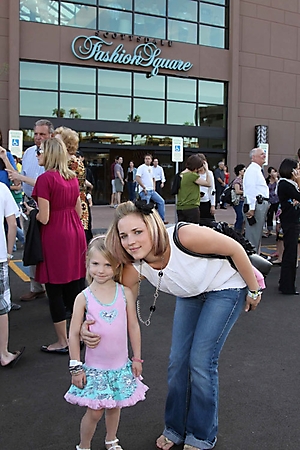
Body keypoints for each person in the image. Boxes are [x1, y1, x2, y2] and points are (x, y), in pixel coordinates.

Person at [81, 200, 262, 450]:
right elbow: (115, 308)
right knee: (177, 361)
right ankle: (175, 428)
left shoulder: (183, 236)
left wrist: (253, 290)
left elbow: (235, 249)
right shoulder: (135, 266)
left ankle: (201, 435)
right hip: (191, 293)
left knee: (200, 361)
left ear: (152, 227)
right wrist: (87, 328)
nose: (131, 241)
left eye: (137, 232)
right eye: (124, 236)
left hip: (224, 287)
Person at [64, 236, 148, 450]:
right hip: (95, 369)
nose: (100, 270)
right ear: (87, 264)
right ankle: (84, 445)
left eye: (107, 264)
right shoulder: (83, 298)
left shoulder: (125, 293)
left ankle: (111, 439)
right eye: (95, 264)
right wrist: (75, 367)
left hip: (119, 366)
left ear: (117, 265)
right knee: (95, 411)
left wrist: (136, 358)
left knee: (115, 406)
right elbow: (73, 334)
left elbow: (133, 327)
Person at [27, 137, 86, 353]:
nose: (37, 155)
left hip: (55, 236)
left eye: (40, 151)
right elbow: (79, 211)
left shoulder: (45, 180)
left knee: (54, 290)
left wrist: (31, 212)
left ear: (50, 154)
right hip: (75, 233)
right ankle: (81, 335)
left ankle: (63, 342)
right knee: (75, 287)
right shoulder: (72, 178)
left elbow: (44, 217)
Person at [7, 119, 54, 301]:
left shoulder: (54, 157)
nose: (38, 137)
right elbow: (18, 181)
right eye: (35, 134)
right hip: (28, 204)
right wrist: (5, 158)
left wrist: (21, 178)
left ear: (50, 135)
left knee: (48, 246)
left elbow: (47, 185)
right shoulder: (28, 153)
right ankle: (36, 286)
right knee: (31, 245)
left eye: (42, 134)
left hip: (45, 205)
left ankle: (52, 286)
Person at [0, 183, 25, 368]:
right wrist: (9, 253)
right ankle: (4, 353)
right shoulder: (1, 189)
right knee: (1, 307)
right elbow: (12, 224)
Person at [54, 126, 92, 243]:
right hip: (76, 205)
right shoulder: (69, 161)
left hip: (75, 206)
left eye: (57, 141)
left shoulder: (71, 162)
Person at [277, 158, 300, 295]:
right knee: (290, 254)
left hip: (291, 220)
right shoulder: (286, 184)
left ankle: (285, 283)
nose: (298, 171)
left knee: (290, 253)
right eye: (296, 168)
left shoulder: (288, 184)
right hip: (290, 221)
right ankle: (287, 286)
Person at [243, 148, 269, 253]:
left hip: (259, 204)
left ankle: (254, 260)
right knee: (253, 236)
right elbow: (250, 190)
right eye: (261, 154)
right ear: (254, 157)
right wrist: (252, 208)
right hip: (256, 205)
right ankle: (251, 263)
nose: (264, 156)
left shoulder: (257, 169)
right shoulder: (252, 170)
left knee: (256, 235)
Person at [176, 155, 210, 224]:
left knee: (182, 229)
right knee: (193, 229)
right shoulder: (192, 175)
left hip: (180, 207)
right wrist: (207, 170)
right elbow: (208, 183)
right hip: (191, 207)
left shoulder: (180, 174)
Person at [136, 154, 167, 224]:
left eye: (149, 159)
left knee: (161, 201)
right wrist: (143, 187)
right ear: (144, 160)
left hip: (151, 190)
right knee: (145, 206)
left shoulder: (151, 168)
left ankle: (161, 220)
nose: (147, 160)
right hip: (145, 190)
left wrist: (154, 187)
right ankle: (146, 222)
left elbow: (153, 178)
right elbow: (137, 177)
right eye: (146, 158)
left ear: (151, 160)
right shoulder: (141, 167)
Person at [198, 154, 216, 227]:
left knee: (209, 223)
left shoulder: (209, 174)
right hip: (196, 201)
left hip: (206, 201)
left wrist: (213, 205)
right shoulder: (194, 174)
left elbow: (212, 190)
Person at [264, 167, 279, 238]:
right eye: (272, 172)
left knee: (278, 216)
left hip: (277, 200)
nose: (274, 173)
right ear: (269, 173)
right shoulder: (267, 181)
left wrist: (276, 180)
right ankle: (269, 230)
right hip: (270, 201)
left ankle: (278, 231)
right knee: (269, 215)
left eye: (275, 172)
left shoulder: (278, 180)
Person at [232, 164, 246, 234]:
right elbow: (237, 191)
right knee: (240, 217)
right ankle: (237, 232)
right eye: (244, 170)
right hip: (239, 201)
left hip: (243, 201)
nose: (245, 172)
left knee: (243, 218)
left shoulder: (244, 180)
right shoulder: (237, 180)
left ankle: (241, 232)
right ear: (240, 171)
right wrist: (246, 192)